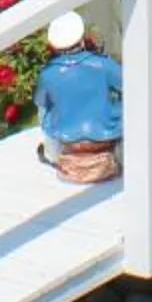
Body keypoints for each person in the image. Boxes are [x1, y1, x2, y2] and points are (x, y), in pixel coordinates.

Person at [33, 10, 123, 183]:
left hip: (67, 139)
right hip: (106, 135)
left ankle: (53, 153)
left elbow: (41, 102)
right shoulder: (103, 64)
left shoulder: (48, 73)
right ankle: (120, 153)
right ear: (82, 38)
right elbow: (129, 87)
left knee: (43, 110)